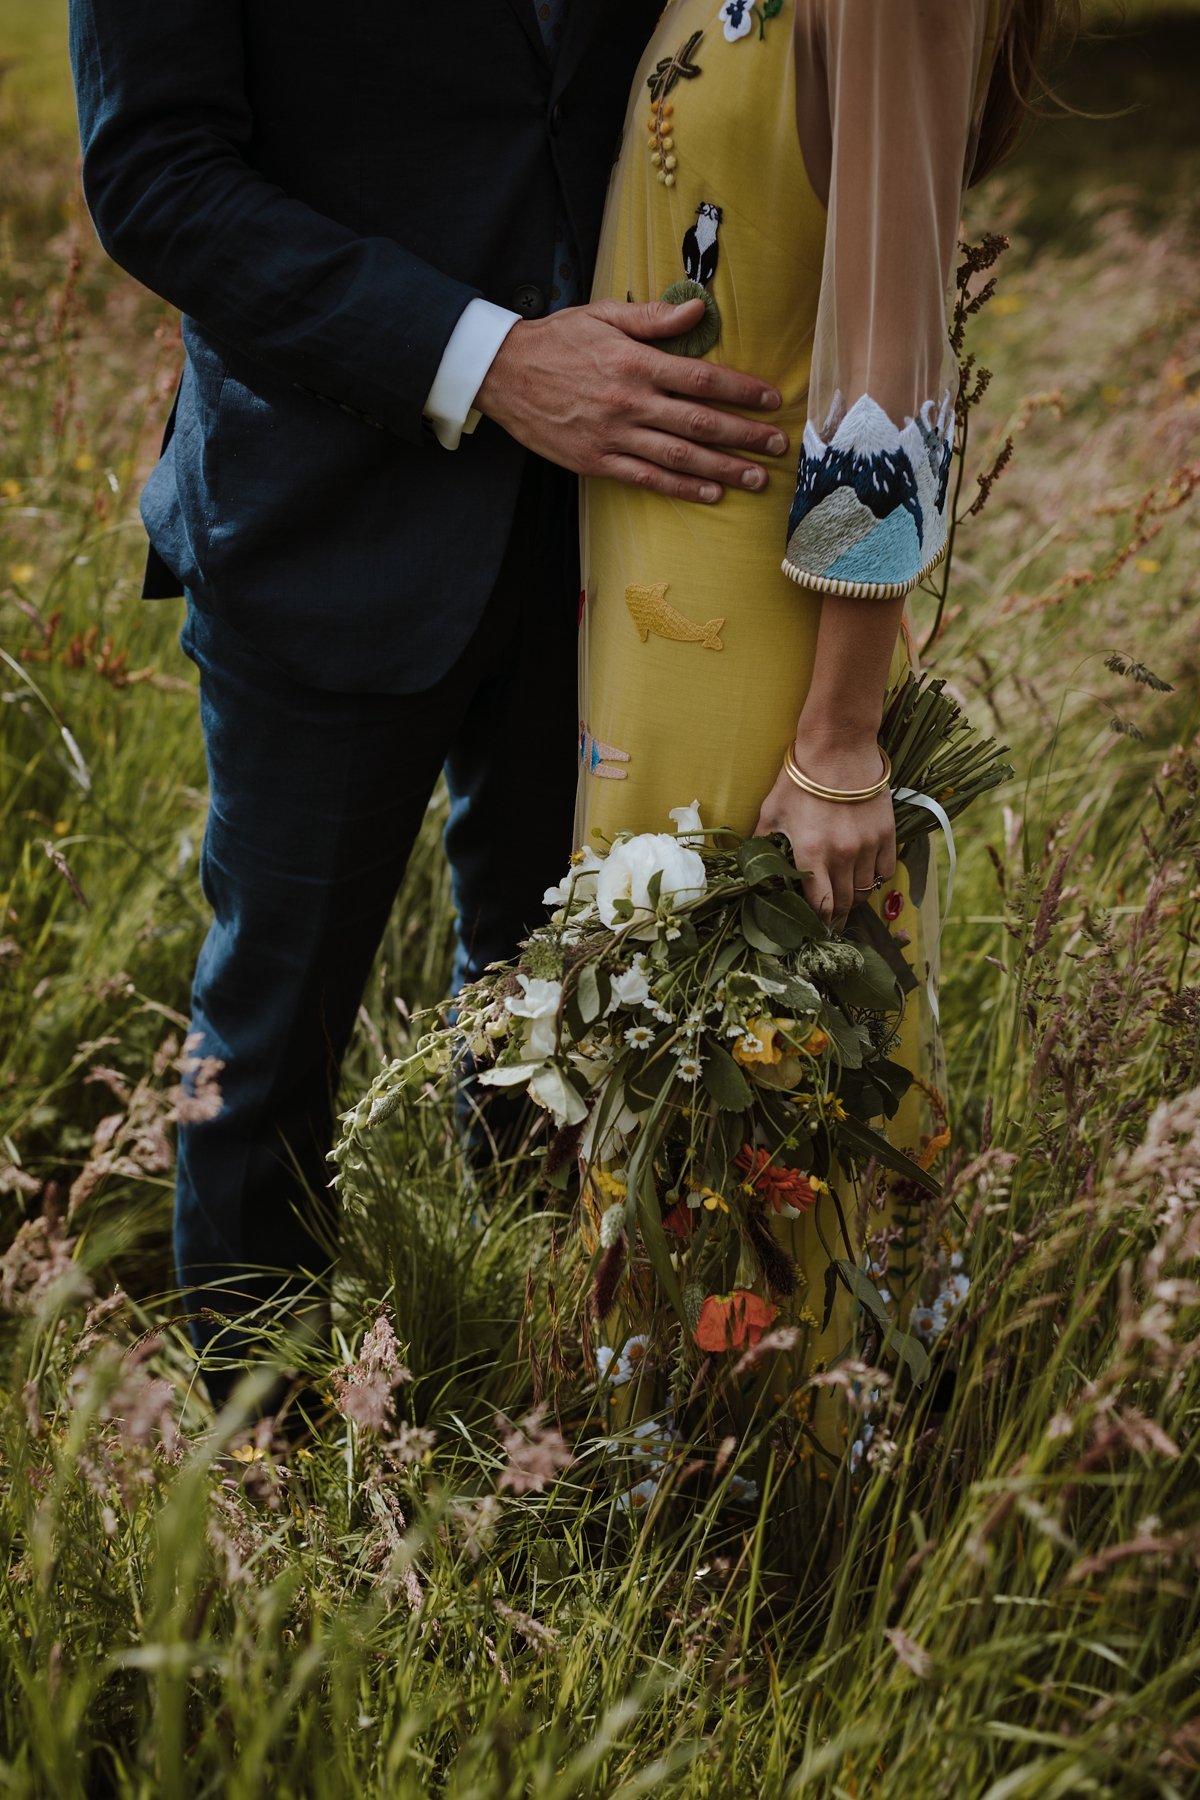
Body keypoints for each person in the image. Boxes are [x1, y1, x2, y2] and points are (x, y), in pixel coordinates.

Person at [68, 0, 794, 1399]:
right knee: (275, 1033)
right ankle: (253, 1465)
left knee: (556, 999)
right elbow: (158, 176)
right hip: (320, 514)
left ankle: (532, 1391)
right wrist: (492, 361)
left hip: (619, 533)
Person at [577, 0, 1061, 1424]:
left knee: (774, 1076)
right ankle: (667, 1472)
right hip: (646, 612)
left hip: (761, 639)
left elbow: (888, 367)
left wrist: (841, 735)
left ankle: (810, 1494)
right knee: (673, 1081)